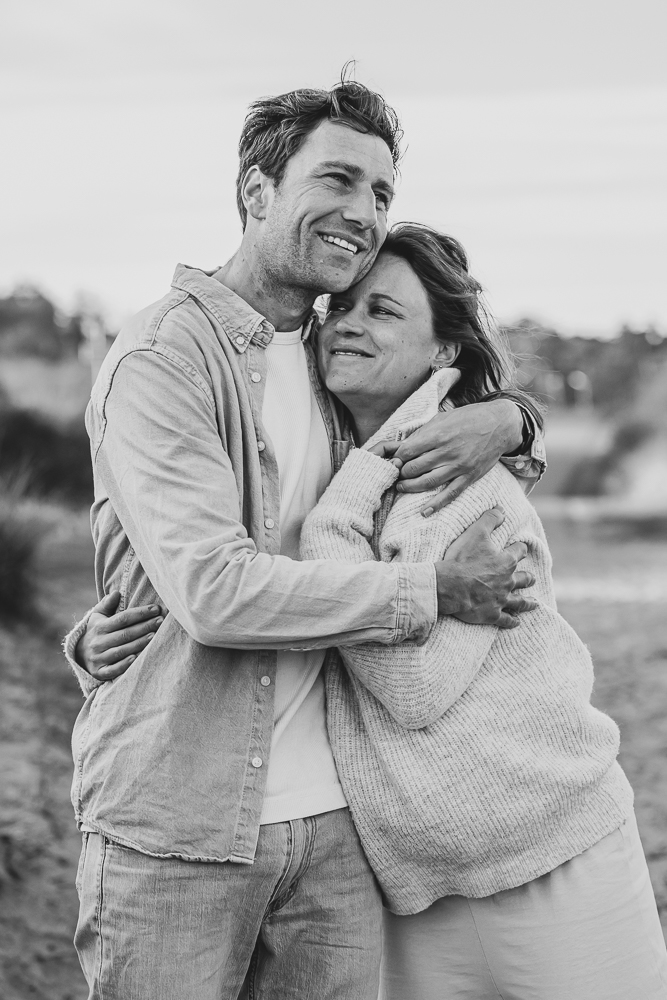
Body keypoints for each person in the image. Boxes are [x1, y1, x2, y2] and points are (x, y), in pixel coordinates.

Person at [85, 222, 667, 999]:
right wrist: (100, 636)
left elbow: (413, 687)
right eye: (344, 307)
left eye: (384, 312)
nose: (351, 324)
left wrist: (506, 418)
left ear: (441, 355)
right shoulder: (326, 456)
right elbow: (214, 563)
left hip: (549, 852)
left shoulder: (462, 483)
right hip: (410, 883)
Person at [64, 80, 545, 1000]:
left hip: (337, 829)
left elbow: (444, 384)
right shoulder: (165, 357)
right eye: (338, 179)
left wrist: (514, 420)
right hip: (181, 824)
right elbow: (214, 591)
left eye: (381, 193)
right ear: (256, 192)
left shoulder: (333, 360)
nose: (363, 213)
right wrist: (429, 593)